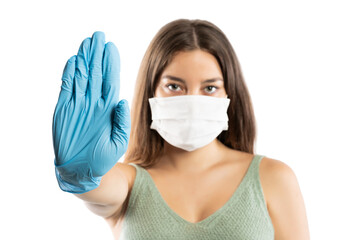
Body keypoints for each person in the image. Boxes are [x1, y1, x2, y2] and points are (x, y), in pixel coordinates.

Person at [52, 19, 310, 239]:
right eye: (174, 86)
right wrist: (77, 171)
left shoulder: (273, 178)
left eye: (209, 88)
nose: (192, 101)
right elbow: (95, 187)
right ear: (151, 91)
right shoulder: (128, 183)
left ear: (229, 95)